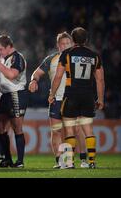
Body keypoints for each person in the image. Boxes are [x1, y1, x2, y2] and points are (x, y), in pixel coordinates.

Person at [29, 32, 89, 168]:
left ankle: (83, 158)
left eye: (68, 43)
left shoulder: (78, 58)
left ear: (73, 44)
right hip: (56, 100)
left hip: (73, 100)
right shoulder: (51, 59)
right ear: (58, 45)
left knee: (76, 130)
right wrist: (33, 81)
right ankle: (60, 161)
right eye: (63, 43)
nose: (66, 46)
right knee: (56, 131)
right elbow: (37, 73)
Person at [50, 27, 105, 169]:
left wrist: (52, 94)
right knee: (88, 129)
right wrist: (100, 99)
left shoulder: (67, 54)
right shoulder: (94, 56)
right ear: (86, 40)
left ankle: (69, 162)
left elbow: (57, 76)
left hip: (71, 95)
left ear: (73, 40)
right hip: (88, 96)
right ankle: (92, 161)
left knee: (69, 129)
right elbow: (100, 80)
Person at [0, 35, 28, 168]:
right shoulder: (5, 59)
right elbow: (2, 82)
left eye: (1, 49)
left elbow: (12, 75)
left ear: (9, 47)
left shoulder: (17, 57)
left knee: (17, 127)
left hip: (16, 94)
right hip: (5, 95)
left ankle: (20, 161)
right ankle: (7, 159)